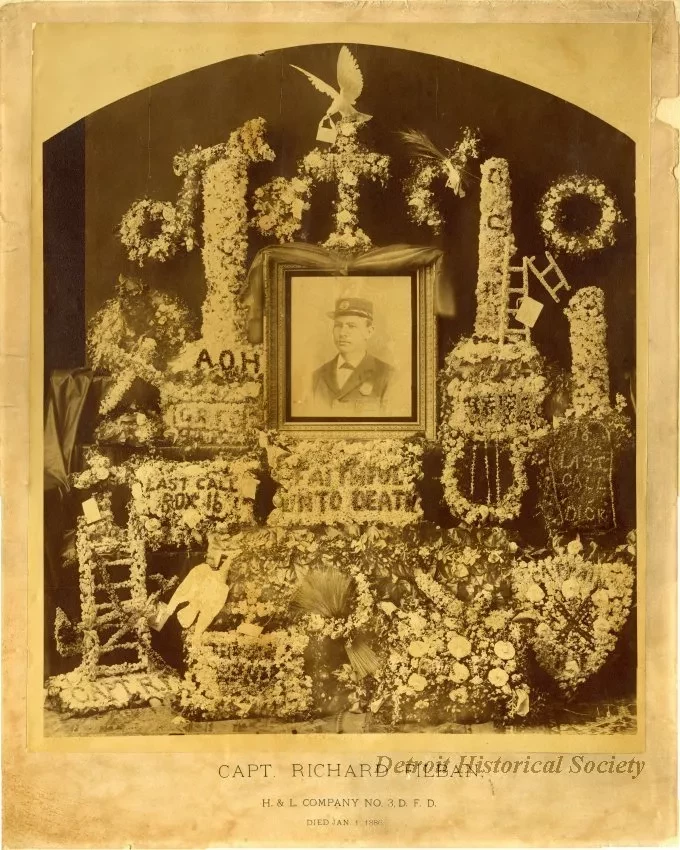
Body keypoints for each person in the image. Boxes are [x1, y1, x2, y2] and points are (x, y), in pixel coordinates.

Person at [311, 297, 394, 415]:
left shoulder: (388, 376)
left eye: (351, 326)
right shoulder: (316, 376)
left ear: (369, 332)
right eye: (338, 325)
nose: (342, 333)